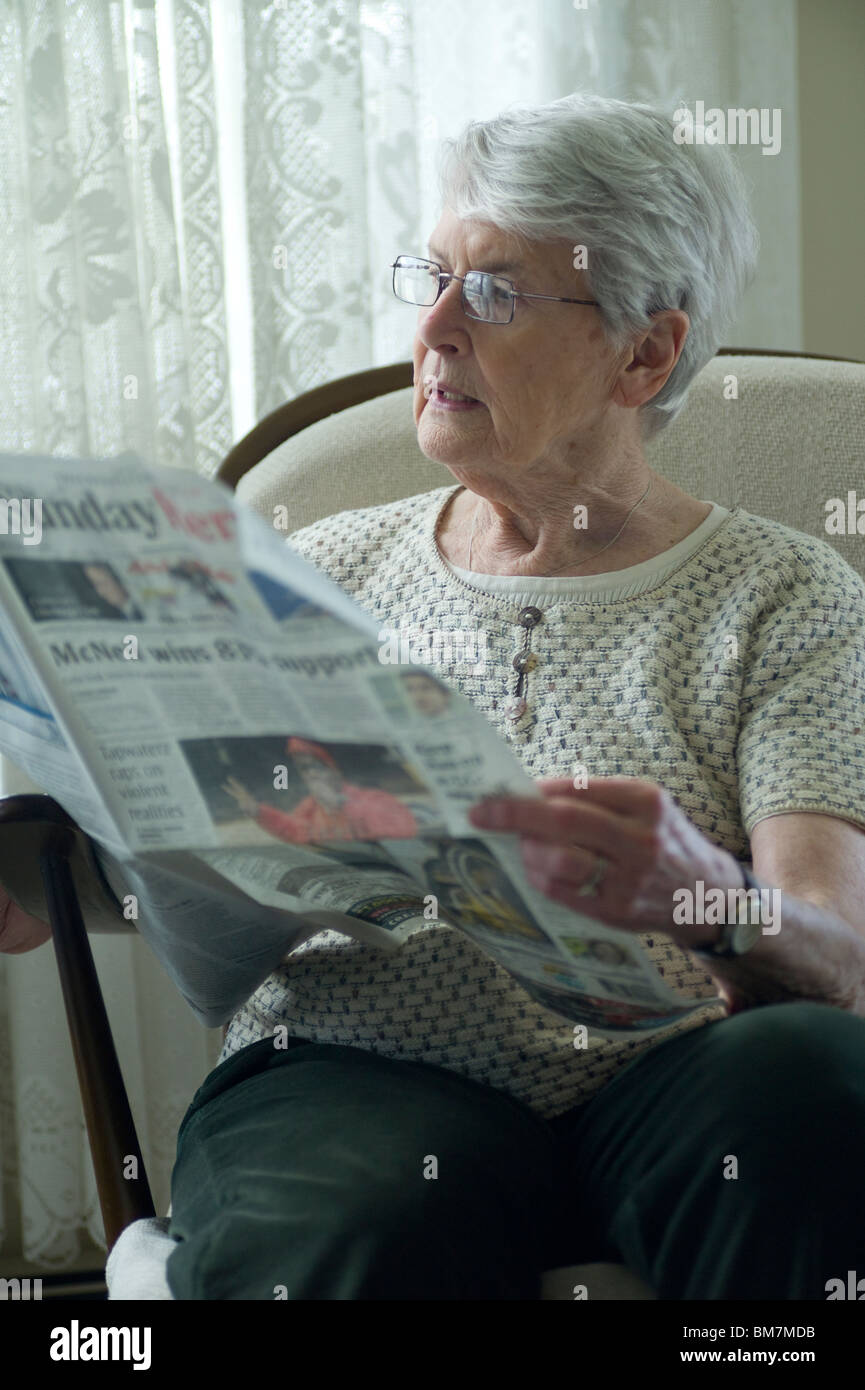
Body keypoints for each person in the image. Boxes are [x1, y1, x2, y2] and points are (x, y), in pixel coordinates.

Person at [5, 93, 865, 1300]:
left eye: (498, 293)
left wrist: (713, 893)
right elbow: (179, 829)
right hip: (357, 1073)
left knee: (813, 1089)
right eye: (433, 276)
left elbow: (838, 950)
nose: (436, 329)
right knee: (351, 1230)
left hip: (675, 1078)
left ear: (644, 352)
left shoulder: (779, 591)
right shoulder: (313, 573)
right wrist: (41, 867)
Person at [222, 737, 418, 843]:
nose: (311, 775)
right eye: (305, 769)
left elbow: (401, 831)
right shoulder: (309, 807)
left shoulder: (373, 799)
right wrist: (259, 812)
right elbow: (293, 831)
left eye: (317, 767)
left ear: (335, 769)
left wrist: (341, 806)